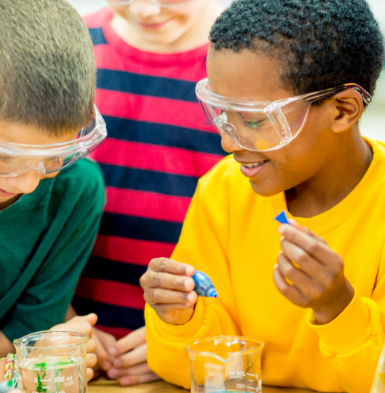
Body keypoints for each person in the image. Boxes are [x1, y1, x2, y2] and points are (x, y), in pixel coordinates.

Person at [140, 0, 385, 392]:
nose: (229, 141)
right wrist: (179, 317)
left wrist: (337, 306)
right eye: (221, 113)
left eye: (255, 120)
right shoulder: (224, 189)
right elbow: (202, 369)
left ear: (343, 109)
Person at [69, 0, 224, 386]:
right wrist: (65, 322)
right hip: (73, 338)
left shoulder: (246, 65)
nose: (146, 9)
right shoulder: (70, 49)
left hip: (199, 339)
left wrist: (179, 337)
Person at [0, 0, 106, 355]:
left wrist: (41, 353)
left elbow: (22, 338)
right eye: (5, 158)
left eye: (53, 157)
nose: (29, 184)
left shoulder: (75, 189)